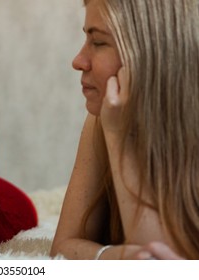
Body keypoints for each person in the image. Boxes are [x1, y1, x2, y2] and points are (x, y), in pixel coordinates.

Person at [51, 0, 199, 259]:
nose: (78, 61)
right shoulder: (103, 120)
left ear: (154, 50)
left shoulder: (113, 123)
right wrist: (113, 257)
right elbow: (63, 247)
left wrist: (120, 137)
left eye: (98, 43)